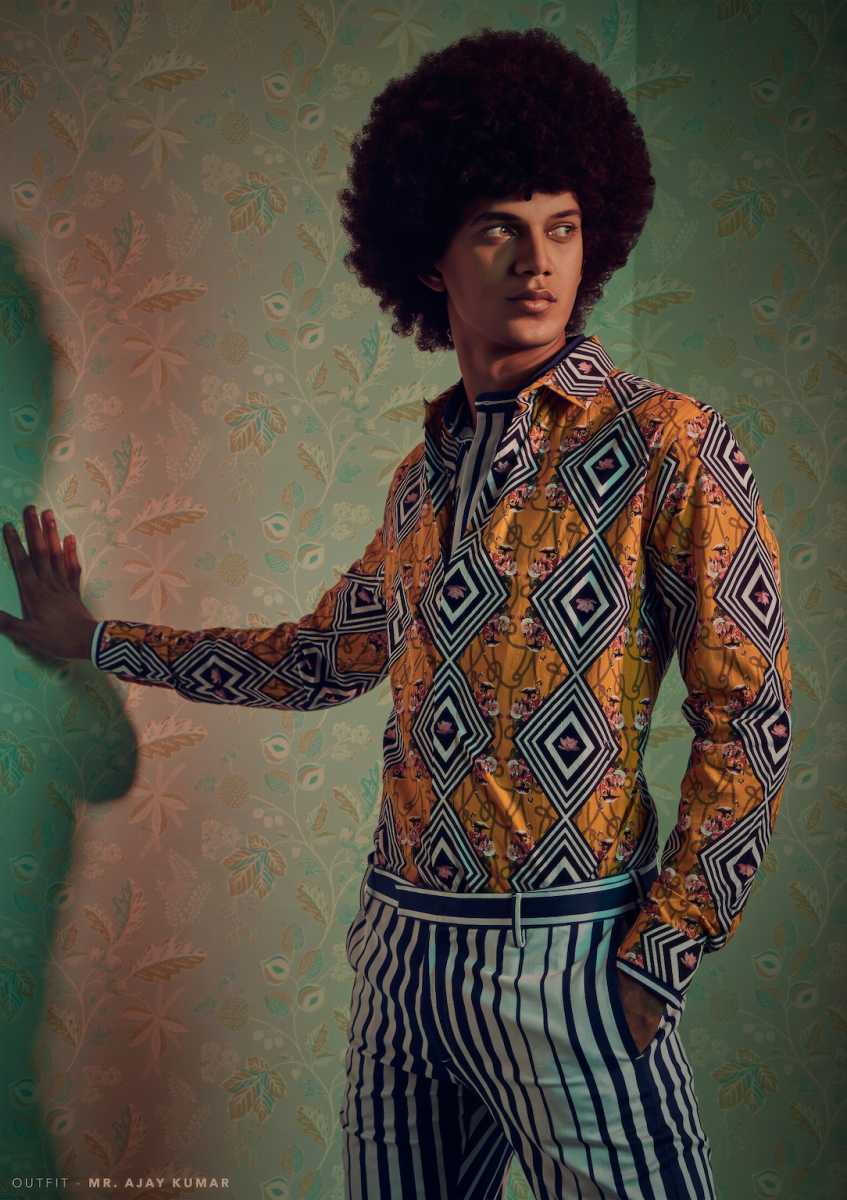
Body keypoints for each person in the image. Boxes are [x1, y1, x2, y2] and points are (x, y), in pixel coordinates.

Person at [0, 27, 792, 1200]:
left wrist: (662, 950)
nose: (537, 262)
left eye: (563, 227)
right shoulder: (422, 481)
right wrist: (95, 640)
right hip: (399, 958)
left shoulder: (667, 445)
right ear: (430, 256)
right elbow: (320, 661)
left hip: (567, 956)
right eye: (498, 229)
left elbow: (750, 716)